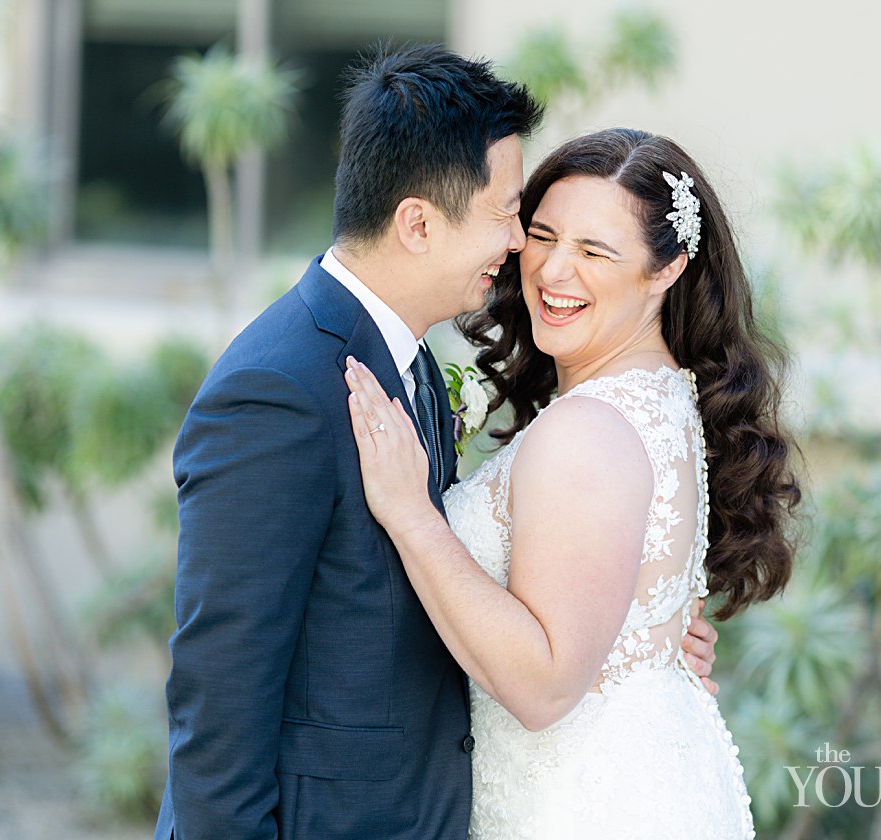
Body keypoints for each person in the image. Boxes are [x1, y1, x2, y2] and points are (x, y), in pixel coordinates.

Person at [156, 49, 720, 839]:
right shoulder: (279, 389)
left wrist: (636, 653)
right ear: (417, 222)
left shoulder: (412, 361)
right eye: (509, 214)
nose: (521, 241)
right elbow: (221, 687)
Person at [343, 127, 801, 838]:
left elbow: (545, 683)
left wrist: (411, 515)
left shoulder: (587, 430)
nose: (554, 273)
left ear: (667, 268)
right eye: (544, 236)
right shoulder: (666, 396)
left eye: (595, 251)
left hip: (580, 808)